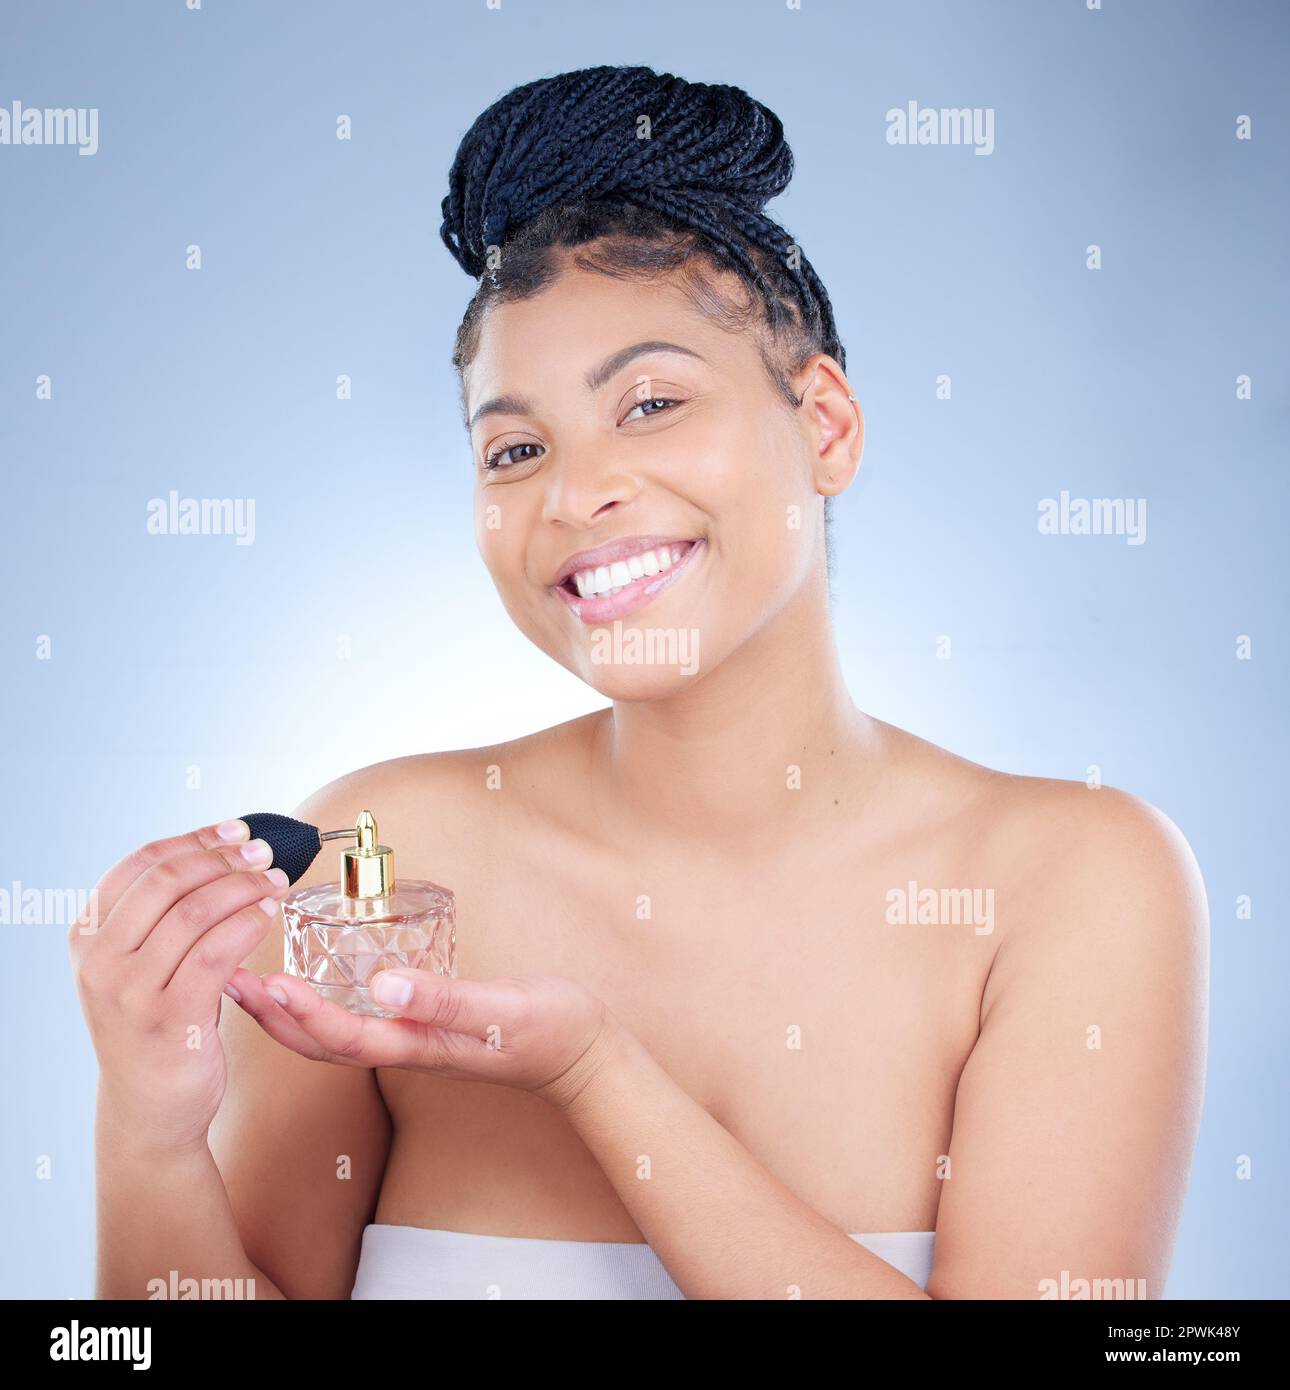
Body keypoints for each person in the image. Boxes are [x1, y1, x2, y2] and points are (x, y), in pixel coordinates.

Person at [72, 65, 1208, 1300]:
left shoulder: (1075, 881)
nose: (573, 493)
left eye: (651, 402)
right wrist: (146, 1123)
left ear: (823, 427)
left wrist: (594, 1075)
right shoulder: (378, 867)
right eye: (516, 448)